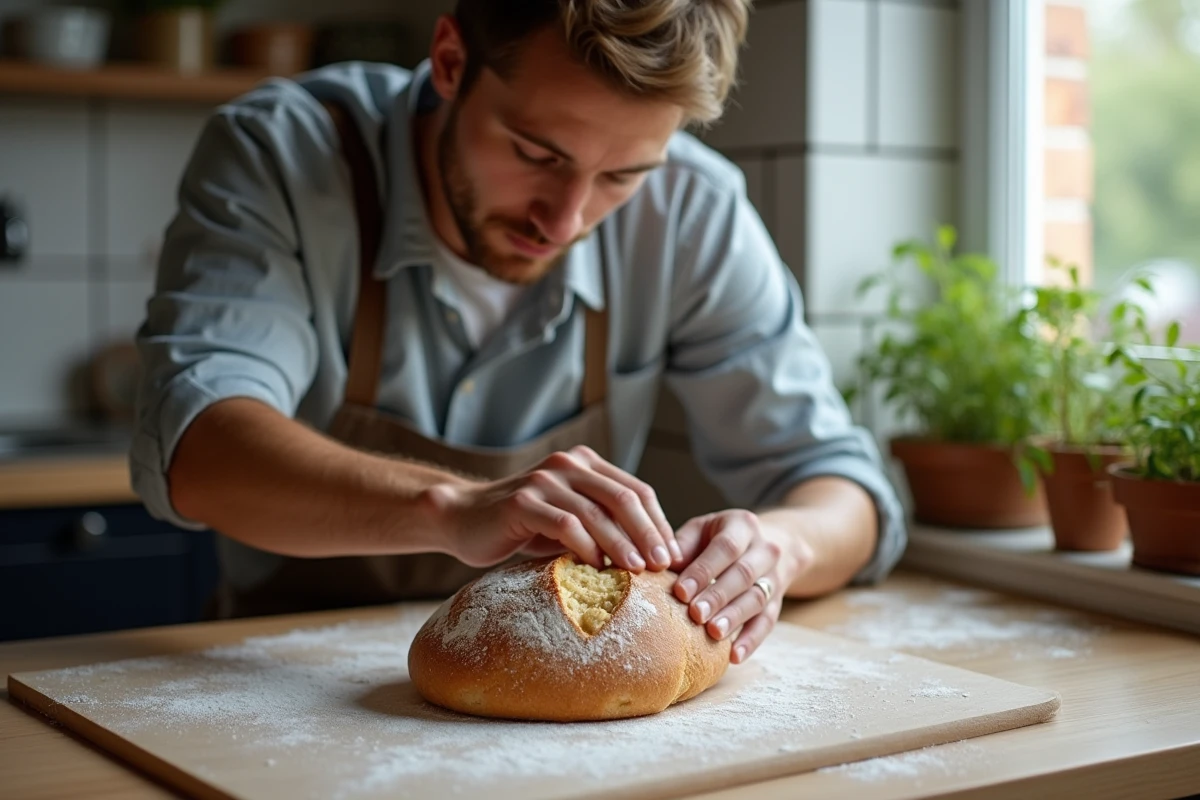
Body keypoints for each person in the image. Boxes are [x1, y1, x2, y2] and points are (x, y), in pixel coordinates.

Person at [131, 0, 905, 665]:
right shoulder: (283, 154)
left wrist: (778, 548)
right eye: (536, 154)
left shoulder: (693, 211)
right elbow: (201, 449)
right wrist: (453, 507)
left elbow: (845, 490)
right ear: (449, 60)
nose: (564, 221)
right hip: (275, 681)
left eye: (621, 176)